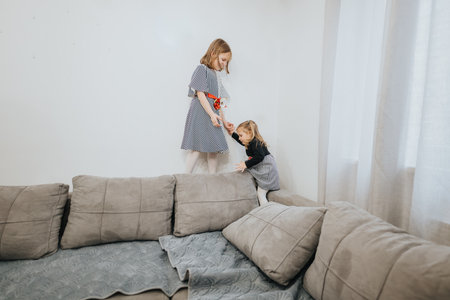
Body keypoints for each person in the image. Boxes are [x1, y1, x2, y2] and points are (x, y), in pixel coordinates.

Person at [181, 38, 234, 174]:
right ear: (213, 53)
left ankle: (212, 181)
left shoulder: (216, 76)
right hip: (201, 111)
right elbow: (200, 93)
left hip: (213, 114)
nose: (224, 64)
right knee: (196, 148)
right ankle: (184, 178)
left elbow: (217, 101)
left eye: (226, 62)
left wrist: (225, 121)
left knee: (213, 149)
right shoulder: (201, 69)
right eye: (222, 60)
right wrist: (211, 115)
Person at [227, 120, 280, 205]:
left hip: (267, 169)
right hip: (262, 167)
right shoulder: (249, 141)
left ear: (250, 133)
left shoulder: (256, 142)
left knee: (260, 193)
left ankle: (266, 210)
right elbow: (241, 141)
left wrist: (246, 164)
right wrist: (232, 133)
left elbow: (260, 156)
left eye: (241, 135)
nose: (240, 138)